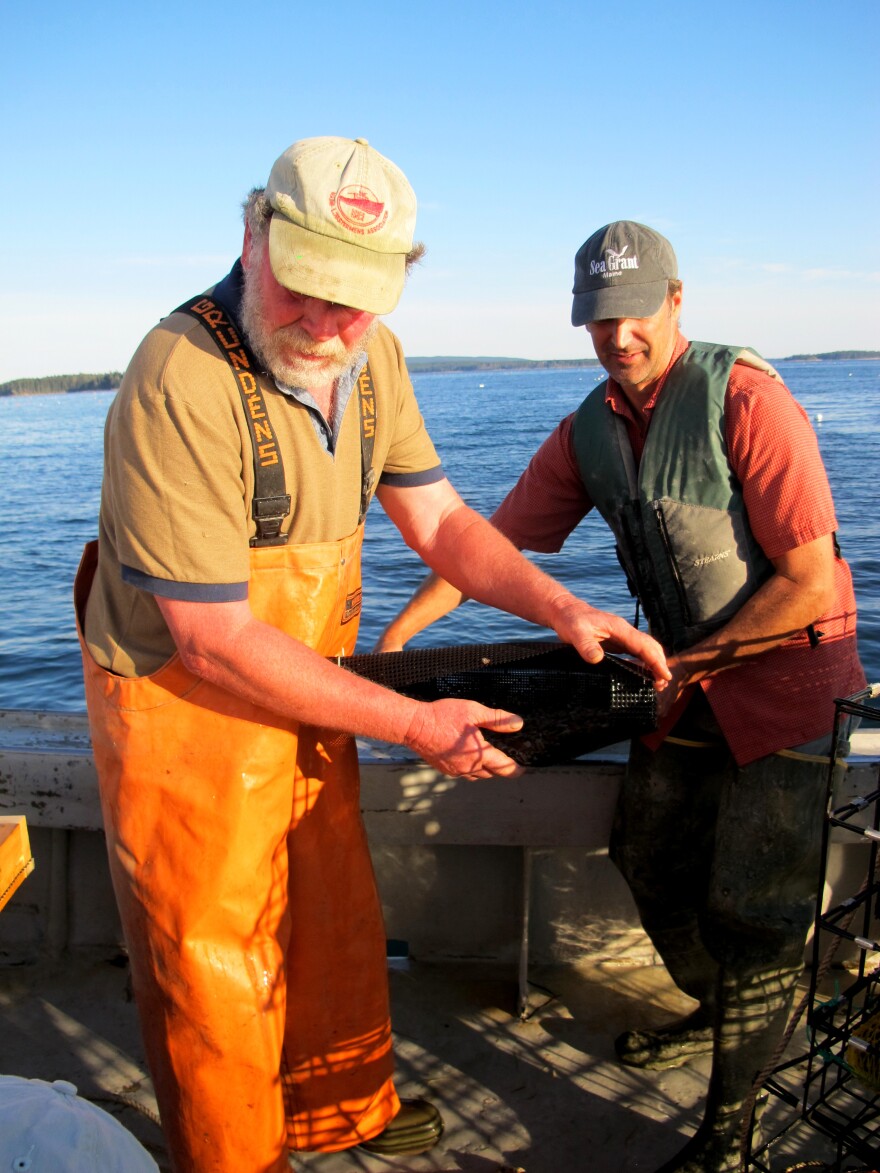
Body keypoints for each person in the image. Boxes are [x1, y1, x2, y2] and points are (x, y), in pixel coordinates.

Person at [74, 146, 668, 1173]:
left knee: (330, 912)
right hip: (189, 719)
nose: (330, 327)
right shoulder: (179, 378)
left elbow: (438, 522)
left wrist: (566, 608)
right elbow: (212, 641)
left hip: (306, 698)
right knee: (213, 965)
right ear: (253, 238)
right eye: (309, 290)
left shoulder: (369, 355)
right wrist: (416, 723)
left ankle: (336, 1113)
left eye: (359, 302)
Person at [376, 221, 867, 1173]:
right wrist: (394, 644)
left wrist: (681, 666)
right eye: (599, 319)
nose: (619, 337)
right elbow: (486, 545)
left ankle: (730, 1128)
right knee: (644, 851)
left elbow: (809, 582)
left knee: (751, 910)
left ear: (675, 302)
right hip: (679, 690)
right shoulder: (588, 432)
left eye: (635, 313)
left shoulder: (749, 401)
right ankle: (724, 1011)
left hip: (789, 692)